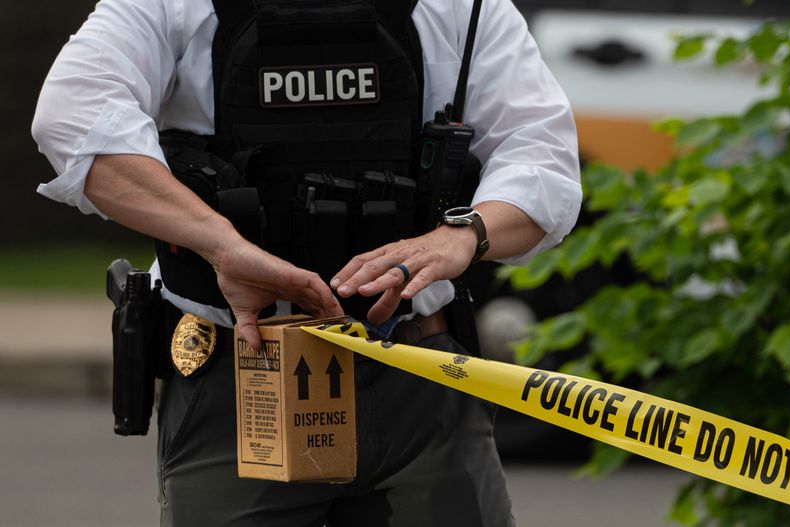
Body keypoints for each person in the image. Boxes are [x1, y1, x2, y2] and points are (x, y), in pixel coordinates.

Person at [32, 0, 581, 525]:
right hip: (242, 375)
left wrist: (463, 235)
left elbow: (543, 155)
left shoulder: (461, 6)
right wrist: (220, 243)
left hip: (419, 376)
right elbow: (73, 114)